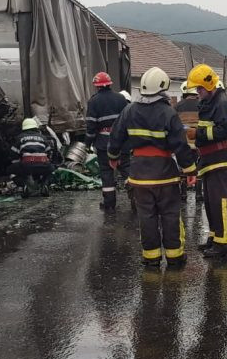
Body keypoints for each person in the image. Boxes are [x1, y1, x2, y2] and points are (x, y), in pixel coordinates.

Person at [108, 67, 197, 267]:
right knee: (170, 214)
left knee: (146, 216)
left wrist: (112, 157)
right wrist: (190, 170)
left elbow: (116, 136)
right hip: (165, 174)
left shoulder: (129, 110)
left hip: (139, 174)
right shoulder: (168, 112)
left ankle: (151, 258)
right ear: (163, 86)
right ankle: (174, 257)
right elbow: (180, 145)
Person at [186, 63, 227, 259]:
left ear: (208, 86)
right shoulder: (211, 102)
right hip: (209, 159)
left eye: (199, 88)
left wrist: (197, 133)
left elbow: (225, 131)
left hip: (219, 160)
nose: (197, 92)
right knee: (210, 203)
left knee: (221, 203)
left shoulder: (221, 103)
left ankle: (223, 245)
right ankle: (215, 238)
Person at [85, 71, 130, 211]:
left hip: (104, 144)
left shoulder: (93, 101)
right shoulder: (121, 99)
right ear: (110, 84)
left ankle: (109, 204)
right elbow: (128, 121)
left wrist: (88, 143)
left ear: (97, 86)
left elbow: (91, 125)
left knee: (107, 173)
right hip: (122, 142)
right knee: (127, 170)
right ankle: (136, 199)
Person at [9, 118, 57, 197]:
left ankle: (24, 186)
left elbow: (13, 154)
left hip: (27, 165)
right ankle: (45, 185)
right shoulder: (43, 137)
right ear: (36, 127)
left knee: (11, 171)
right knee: (52, 170)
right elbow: (49, 152)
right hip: (43, 164)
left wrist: (19, 165)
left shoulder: (19, 138)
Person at [176, 81, 203, 202]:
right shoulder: (202, 104)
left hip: (183, 144)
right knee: (198, 168)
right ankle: (198, 195)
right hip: (198, 143)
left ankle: (183, 195)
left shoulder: (177, 106)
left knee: (183, 168)